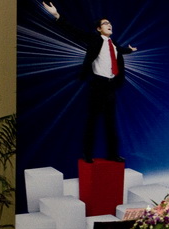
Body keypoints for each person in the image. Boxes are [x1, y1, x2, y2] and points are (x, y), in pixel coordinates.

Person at [42, 2, 137, 163]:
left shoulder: (113, 44)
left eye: (110, 23)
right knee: (92, 121)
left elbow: (121, 50)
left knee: (110, 122)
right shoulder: (94, 39)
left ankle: (112, 154)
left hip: (110, 86)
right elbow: (74, 32)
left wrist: (130, 50)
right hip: (98, 85)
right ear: (99, 29)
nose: (109, 25)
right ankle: (87, 154)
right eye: (105, 23)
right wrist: (57, 15)